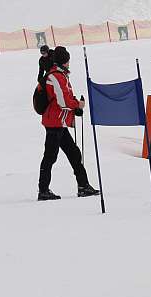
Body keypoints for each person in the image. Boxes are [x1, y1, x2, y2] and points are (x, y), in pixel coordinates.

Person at [38, 46, 100, 201]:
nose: (69, 62)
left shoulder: (61, 75)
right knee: (50, 157)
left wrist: (75, 109)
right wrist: (77, 105)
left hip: (59, 122)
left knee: (74, 153)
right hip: (54, 123)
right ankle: (43, 190)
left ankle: (83, 186)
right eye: (68, 60)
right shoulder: (55, 76)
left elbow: (64, 100)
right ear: (64, 61)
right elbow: (62, 101)